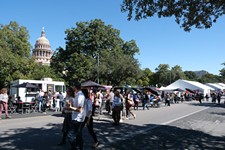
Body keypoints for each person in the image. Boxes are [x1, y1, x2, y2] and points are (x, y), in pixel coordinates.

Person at [67, 82, 86, 150]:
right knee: (78, 134)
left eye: (73, 87)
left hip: (77, 118)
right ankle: (80, 148)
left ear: (75, 87)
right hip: (77, 117)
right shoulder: (77, 95)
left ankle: (75, 148)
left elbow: (79, 110)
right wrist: (71, 105)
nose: (73, 88)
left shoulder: (80, 96)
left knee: (70, 135)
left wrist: (70, 107)